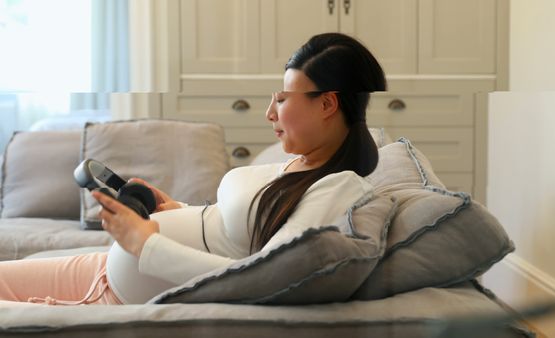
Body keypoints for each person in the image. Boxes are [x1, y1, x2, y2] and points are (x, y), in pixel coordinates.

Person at [0, 32, 387, 305]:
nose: (270, 112)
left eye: (283, 99)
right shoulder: (301, 166)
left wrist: (144, 243)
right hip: (105, 270)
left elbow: (260, 277)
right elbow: (234, 232)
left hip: (111, 296)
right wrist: (177, 209)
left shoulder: (339, 189)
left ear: (328, 105)